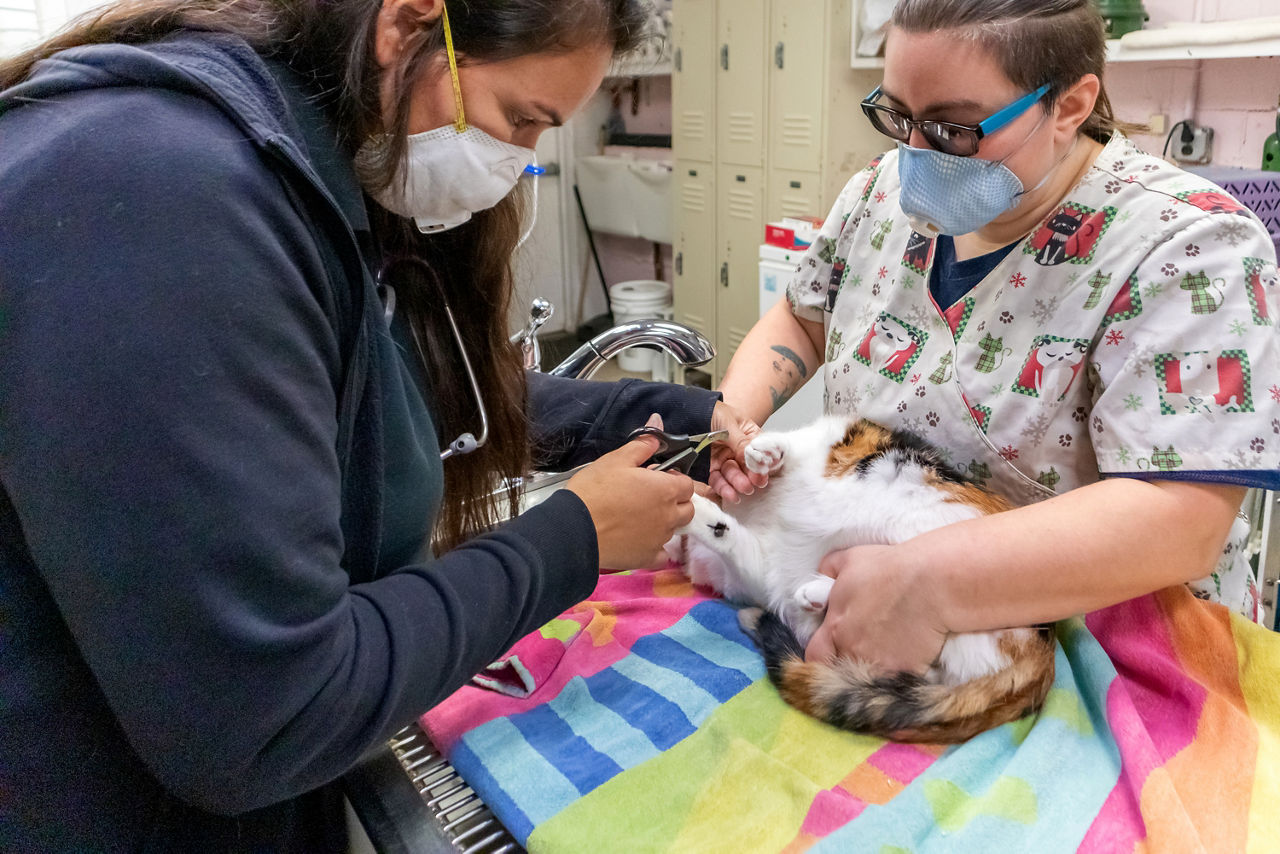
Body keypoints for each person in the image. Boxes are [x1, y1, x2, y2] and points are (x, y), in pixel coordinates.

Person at [0, 0, 762, 849]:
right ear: (407, 25)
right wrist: (570, 539)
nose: (517, 165)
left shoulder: (303, 173)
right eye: (520, 120)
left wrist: (679, 418)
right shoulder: (158, 198)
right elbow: (266, 718)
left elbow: (407, 393)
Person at [709, 0, 1279, 674]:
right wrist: (733, 417)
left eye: (954, 129)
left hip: (1094, 648)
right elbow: (803, 317)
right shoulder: (879, 196)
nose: (914, 154)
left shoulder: (1191, 245)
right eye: (898, 116)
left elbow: (1180, 521)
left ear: (1070, 105)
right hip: (872, 604)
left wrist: (926, 582)